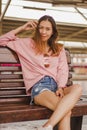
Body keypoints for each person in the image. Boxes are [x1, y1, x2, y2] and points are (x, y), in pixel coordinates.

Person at [0, 15, 82, 130]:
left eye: (48, 29)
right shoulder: (27, 44)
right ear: (37, 29)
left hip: (57, 88)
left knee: (77, 88)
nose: (43, 32)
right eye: (41, 28)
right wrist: (22, 28)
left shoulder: (58, 48)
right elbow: (1, 40)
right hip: (40, 88)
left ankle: (47, 125)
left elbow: (62, 70)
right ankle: (48, 126)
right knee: (66, 112)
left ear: (53, 31)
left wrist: (60, 87)